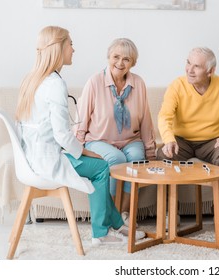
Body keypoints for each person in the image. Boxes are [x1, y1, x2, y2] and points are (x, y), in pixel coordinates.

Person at [15, 26, 145, 245]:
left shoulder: (32, 79)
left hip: (32, 160)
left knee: (100, 164)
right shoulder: (55, 83)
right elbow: (63, 136)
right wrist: (83, 151)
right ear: (59, 48)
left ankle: (117, 223)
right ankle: (101, 234)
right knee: (102, 167)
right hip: (47, 161)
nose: (73, 50)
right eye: (71, 44)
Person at [75, 38, 156, 226]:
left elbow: (145, 119)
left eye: (126, 59)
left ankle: (124, 212)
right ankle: (110, 213)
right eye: (116, 57)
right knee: (116, 158)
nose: (120, 63)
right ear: (108, 57)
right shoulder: (95, 82)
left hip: (130, 139)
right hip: (98, 139)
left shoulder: (138, 83)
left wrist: (150, 151)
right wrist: (78, 145)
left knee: (136, 157)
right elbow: (82, 116)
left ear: (133, 63)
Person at [157, 46, 219, 211]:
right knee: (163, 153)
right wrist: (168, 139)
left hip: (212, 142)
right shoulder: (177, 86)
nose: (189, 70)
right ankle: (170, 210)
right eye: (188, 63)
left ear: (210, 71)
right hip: (181, 141)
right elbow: (165, 116)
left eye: (196, 66)